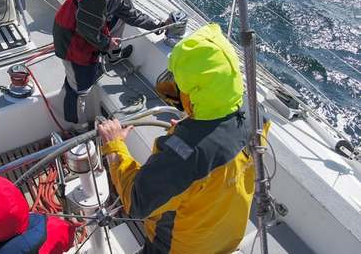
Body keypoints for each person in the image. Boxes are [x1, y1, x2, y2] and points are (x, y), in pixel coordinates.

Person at [98, 23, 269, 253]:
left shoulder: (184, 157)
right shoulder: (256, 113)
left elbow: (137, 201)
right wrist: (194, 128)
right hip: (225, 241)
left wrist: (114, 144)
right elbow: (224, 148)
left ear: (194, 91)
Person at [53, 0, 170, 133]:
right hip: (71, 42)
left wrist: (156, 25)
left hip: (82, 36)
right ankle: (77, 128)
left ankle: (100, 63)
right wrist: (107, 43)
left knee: (82, 75)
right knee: (80, 89)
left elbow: (130, 15)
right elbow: (86, 30)